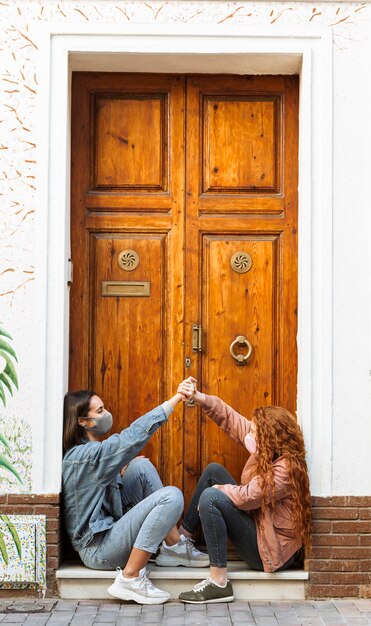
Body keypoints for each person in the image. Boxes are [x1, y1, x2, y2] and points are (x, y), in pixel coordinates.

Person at [62, 390, 209, 605]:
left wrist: (118, 474)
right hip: (98, 551)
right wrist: (173, 401)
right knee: (171, 497)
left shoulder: (90, 453)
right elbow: (129, 438)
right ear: (84, 421)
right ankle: (131, 576)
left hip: (109, 532)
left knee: (140, 466)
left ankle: (173, 546)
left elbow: (102, 495)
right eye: (100, 411)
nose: (107, 414)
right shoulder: (84, 457)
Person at [176, 377, 312, 604]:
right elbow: (230, 418)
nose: (251, 433)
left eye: (256, 431)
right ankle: (182, 541)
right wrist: (199, 397)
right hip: (261, 527)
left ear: (271, 437)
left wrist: (220, 490)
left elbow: (249, 497)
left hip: (270, 552)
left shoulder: (286, 469)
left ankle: (218, 582)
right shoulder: (268, 450)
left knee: (211, 496)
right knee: (213, 472)